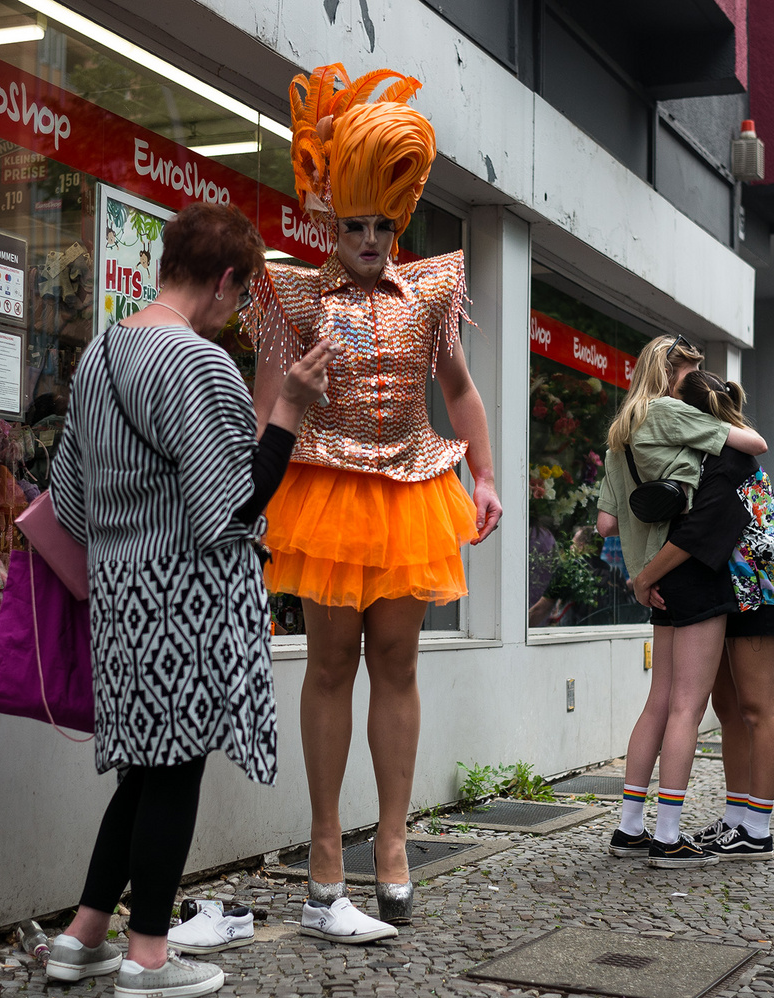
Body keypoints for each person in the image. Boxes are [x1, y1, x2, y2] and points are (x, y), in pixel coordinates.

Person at [44, 204, 330, 998]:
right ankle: (148, 958)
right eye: (241, 299)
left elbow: (67, 497)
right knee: (173, 772)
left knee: (144, 768)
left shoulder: (101, 354)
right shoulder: (196, 363)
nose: (237, 316)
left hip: (119, 593)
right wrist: (288, 412)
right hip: (186, 598)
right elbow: (230, 508)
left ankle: (83, 936)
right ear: (226, 280)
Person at [249, 65, 503, 937]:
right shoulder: (289, 293)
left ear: (399, 216)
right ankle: (326, 851)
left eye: (383, 224)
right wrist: (263, 476)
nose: (369, 239)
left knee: (398, 665)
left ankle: (391, 845)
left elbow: (460, 390)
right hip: (323, 490)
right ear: (326, 213)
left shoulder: (429, 290)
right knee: (329, 666)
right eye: (353, 223)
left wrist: (487, 474)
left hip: (411, 490)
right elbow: (265, 407)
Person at [597, 341, 769, 867]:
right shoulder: (670, 411)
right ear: (668, 371)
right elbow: (755, 442)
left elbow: (605, 523)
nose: (697, 378)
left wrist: (638, 573)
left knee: (658, 702)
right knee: (687, 709)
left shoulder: (620, 432)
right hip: (691, 568)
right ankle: (668, 836)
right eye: (690, 369)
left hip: (655, 577)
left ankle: (630, 827)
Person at [631, 368, 774, 862]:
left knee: (756, 709)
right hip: (727, 591)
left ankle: (758, 826)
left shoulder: (730, 456)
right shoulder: (709, 454)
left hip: (757, 592)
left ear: (689, 412)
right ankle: (738, 817)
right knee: (729, 712)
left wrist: (644, 577)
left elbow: (699, 531)